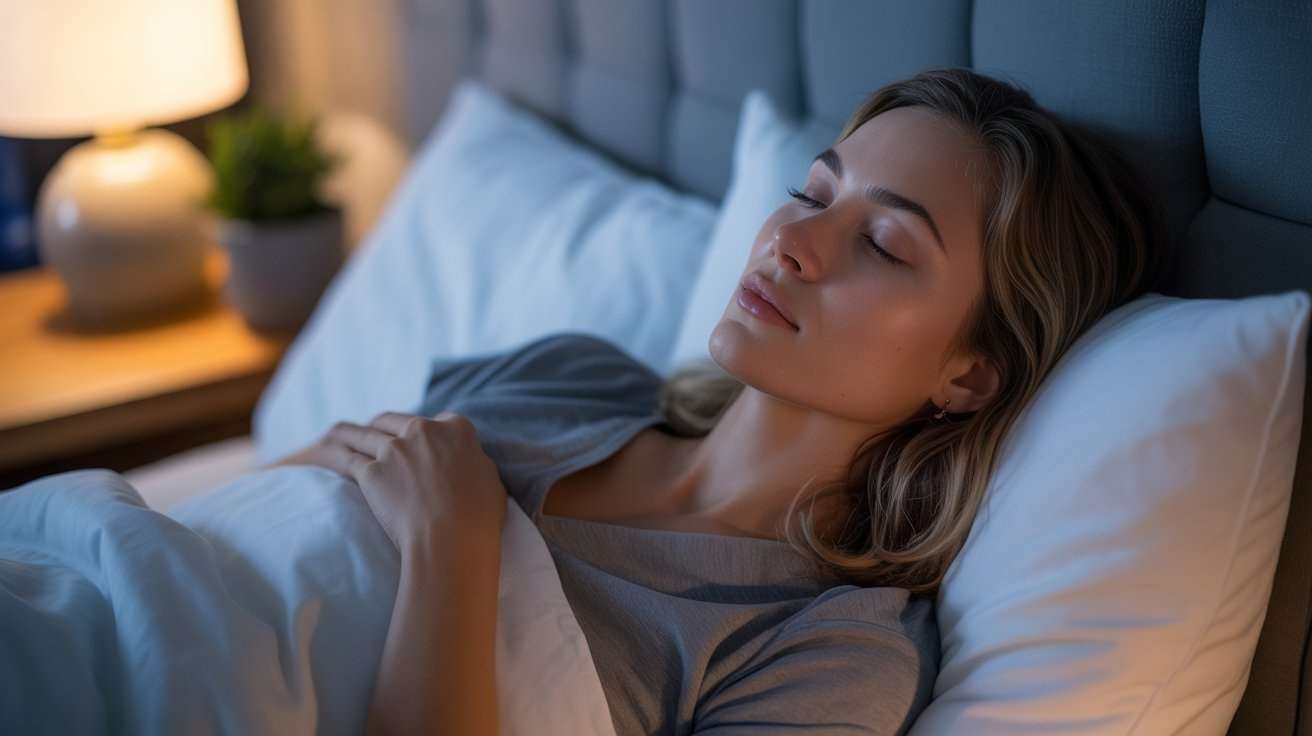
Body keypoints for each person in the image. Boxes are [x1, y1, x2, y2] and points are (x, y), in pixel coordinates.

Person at [271, 68, 1164, 735]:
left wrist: (452, 541)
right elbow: (277, 510)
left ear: (969, 375)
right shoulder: (567, 376)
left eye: (885, 244)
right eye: (811, 193)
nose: (793, 242)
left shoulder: (829, 652)